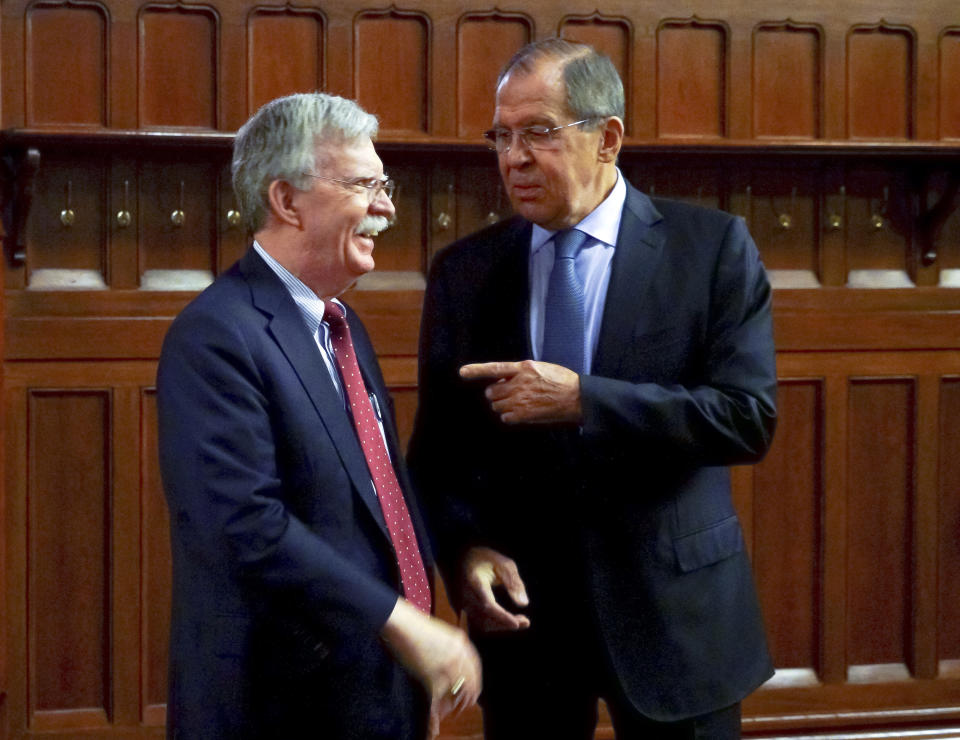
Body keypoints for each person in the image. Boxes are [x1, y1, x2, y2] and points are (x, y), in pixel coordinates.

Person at [407, 39, 777, 739]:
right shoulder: (465, 271)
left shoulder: (711, 248)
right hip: (527, 626)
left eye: (539, 133)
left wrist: (586, 399)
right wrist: (464, 550)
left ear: (607, 139)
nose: (513, 157)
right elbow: (438, 453)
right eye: (502, 136)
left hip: (675, 616)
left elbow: (746, 418)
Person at [157, 92, 480, 740]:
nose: (387, 206)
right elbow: (248, 528)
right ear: (287, 201)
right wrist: (402, 622)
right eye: (365, 185)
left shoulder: (342, 324)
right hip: (281, 708)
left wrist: (456, 566)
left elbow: (376, 498)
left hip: (373, 690)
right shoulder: (215, 336)